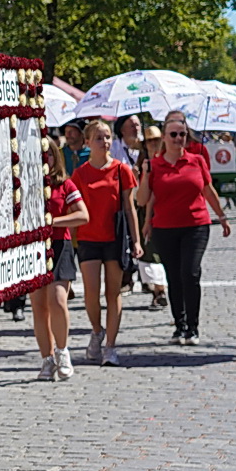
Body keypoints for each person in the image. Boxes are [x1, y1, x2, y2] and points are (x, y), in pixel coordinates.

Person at [136, 109, 230, 345]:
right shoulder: (154, 165)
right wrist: (145, 177)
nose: (179, 139)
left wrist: (222, 216)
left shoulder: (196, 160)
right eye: (174, 135)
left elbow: (208, 190)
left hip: (196, 225)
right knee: (174, 277)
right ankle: (180, 325)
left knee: (191, 272)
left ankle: (193, 327)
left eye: (182, 135)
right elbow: (144, 199)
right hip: (165, 228)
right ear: (164, 138)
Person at [71, 121, 140, 367]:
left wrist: (137, 240)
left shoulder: (122, 170)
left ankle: (110, 346)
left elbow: (129, 207)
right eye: (99, 138)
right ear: (88, 143)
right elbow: (73, 207)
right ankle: (96, 330)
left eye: (108, 137)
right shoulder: (80, 174)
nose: (105, 142)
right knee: (91, 291)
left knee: (113, 292)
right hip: (88, 237)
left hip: (115, 237)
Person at [32, 146, 89, 381]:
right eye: (40, 155)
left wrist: (53, 221)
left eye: (50, 154)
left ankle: (62, 350)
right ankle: (46, 359)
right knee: (38, 306)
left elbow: (83, 215)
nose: (46, 159)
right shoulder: (25, 185)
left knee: (57, 300)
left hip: (59, 246)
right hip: (33, 249)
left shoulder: (65, 185)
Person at [137, 124, 169, 308]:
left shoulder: (165, 160)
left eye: (156, 140)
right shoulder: (142, 163)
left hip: (163, 210)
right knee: (149, 253)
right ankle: (158, 291)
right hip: (144, 212)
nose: (153, 144)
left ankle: (161, 289)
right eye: (149, 141)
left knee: (161, 253)